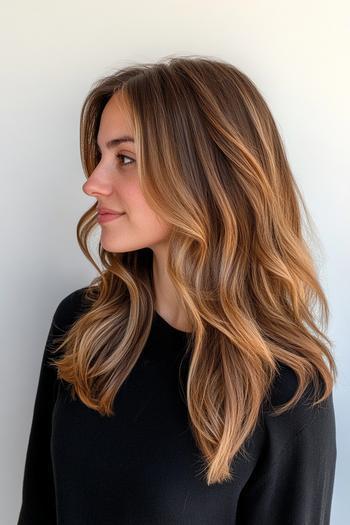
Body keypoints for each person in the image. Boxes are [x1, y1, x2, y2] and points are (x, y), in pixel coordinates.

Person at [17, 55, 337, 525]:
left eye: (124, 158)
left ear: (202, 174)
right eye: (101, 155)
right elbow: (39, 509)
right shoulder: (83, 327)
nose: (92, 183)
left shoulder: (287, 388)